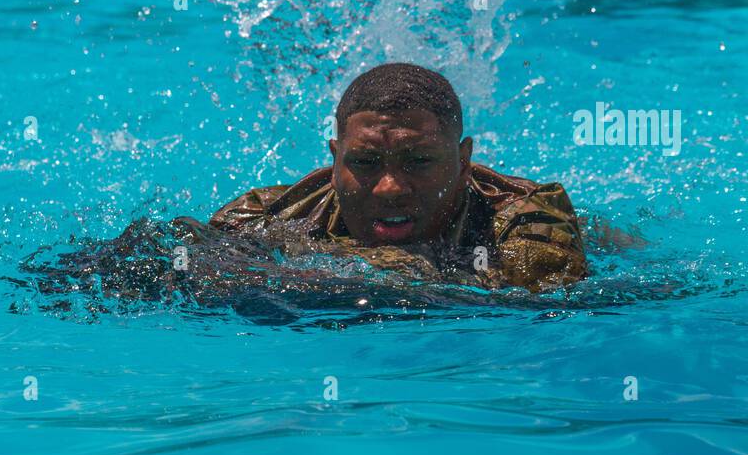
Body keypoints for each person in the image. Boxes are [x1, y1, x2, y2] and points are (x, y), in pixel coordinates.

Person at [178, 62, 588, 291]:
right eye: (366, 162)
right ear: (336, 160)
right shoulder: (268, 213)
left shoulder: (527, 217)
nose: (390, 187)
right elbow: (183, 264)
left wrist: (321, 270)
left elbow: (527, 298)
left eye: (419, 161)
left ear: (463, 164)